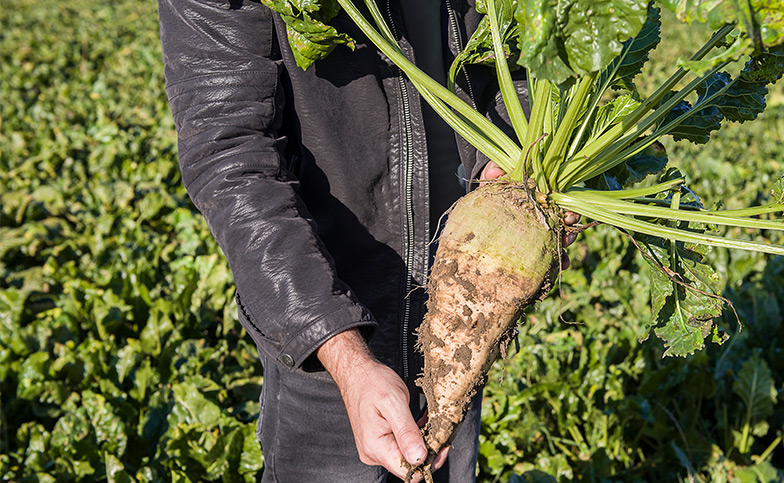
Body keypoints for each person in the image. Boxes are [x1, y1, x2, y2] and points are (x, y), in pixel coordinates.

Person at [157, 0, 575, 481]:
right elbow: (231, 158)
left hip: (466, 291)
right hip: (327, 314)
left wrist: (518, 153)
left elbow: (519, 53)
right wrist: (340, 350)